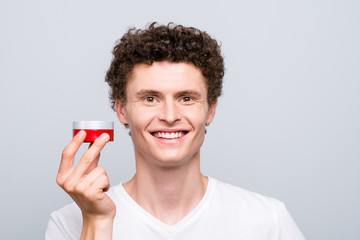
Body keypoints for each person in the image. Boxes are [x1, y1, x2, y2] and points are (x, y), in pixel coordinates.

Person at [46, 22, 305, 240]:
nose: (169, 116)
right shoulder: (68, 223)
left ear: (211, 110)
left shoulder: (268, 222)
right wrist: (97, 221)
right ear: (122, 110)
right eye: (150, 98)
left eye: (186, 98)